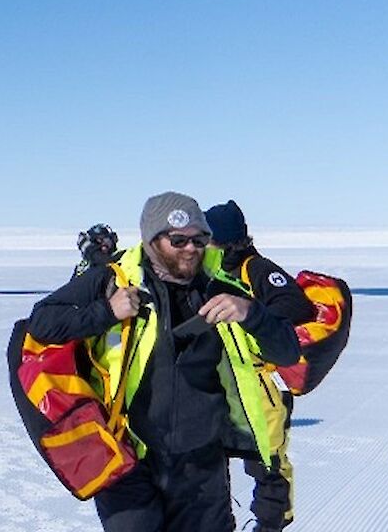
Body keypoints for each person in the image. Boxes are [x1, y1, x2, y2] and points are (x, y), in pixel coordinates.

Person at [27, 193, 302, 532]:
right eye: (178, 240)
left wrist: (252, 313)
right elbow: (41, 323)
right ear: (152, 239)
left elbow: (288, 352)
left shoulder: (221, 290)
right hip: (130, 461)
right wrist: (107, 312)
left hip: (202, 468)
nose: (191, 249)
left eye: (199, 240)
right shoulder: (111, 280)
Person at [206, 200, 315, 532]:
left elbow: (296, 307)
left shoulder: (257, 269)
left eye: (207, 237)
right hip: (221, 385)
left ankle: (271, 525)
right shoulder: (212, 271)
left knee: (267, 463)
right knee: (212, 464)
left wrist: (249, 315)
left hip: (261, 386)